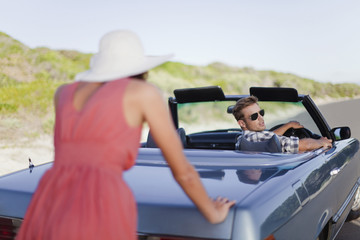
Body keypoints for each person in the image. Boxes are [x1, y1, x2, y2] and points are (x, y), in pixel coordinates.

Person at [16, 30, 235, 240]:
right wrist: (212, 213)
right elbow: (183, 171)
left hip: (51, 195)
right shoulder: (143, 92)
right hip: (101, 196)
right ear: (140, 67)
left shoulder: (62, 93)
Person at [232, 96, 332, 153]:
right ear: (242, 123)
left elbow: (271, 136)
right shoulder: (256, 137)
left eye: (261, 113)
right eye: (254, 116)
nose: (261, 118)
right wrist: (321, 142)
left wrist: (288, 125)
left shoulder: (244, 138)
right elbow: (302, 145)